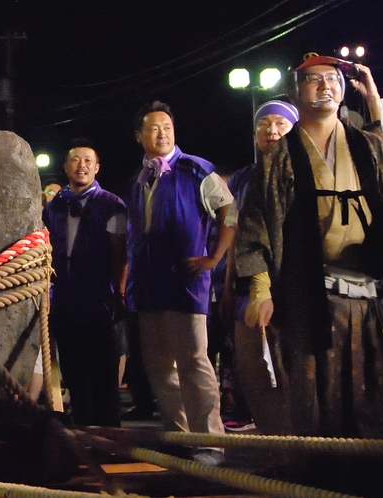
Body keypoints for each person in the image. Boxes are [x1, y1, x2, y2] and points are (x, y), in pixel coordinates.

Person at [235, 54, 383, 495]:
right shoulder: (277, 158)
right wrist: (261, 289)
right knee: (317, 402)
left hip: (373, 299)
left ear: (343, 90)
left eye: (331, 80)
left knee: (378, 396)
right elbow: (257, 226)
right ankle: (324, 483)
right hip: (311, 298)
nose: (324, 87)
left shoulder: (374, 148)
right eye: (313, 81)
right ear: (296, 91)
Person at [127, 101, 234, 465]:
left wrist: (214, 258)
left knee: (194, 362)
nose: (162, 133)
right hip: (149, 285)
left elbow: (229, 212)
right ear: (139, 136)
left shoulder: (196, 170)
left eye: (167, 128)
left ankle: (210, 441)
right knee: (158, 365)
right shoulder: (140, 178)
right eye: (154, 128)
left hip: (187, 284)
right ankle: (178, 433)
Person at [222, 99, 299, 435]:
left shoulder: (306, 172)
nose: (272, 131)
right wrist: (225, 287)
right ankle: (275, 443)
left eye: (281, 124)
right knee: (250, 368)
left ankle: (303, 447)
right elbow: (236, 235)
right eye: (264, 124)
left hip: (291, 285)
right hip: (245, 285)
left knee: (290, 370)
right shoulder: (241, 178)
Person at [43, 144, 126, 426]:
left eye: (88, 160)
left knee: (103, 370)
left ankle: (110, 435)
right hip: (64, 298)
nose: (82, 165)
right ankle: (82, 431)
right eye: (75, 160)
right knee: (73, 369)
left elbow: (121, 252)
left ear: (97, 167)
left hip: (100, 298)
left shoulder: (112, 204)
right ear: (66, 167)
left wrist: (120, 292)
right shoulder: (53, 206)